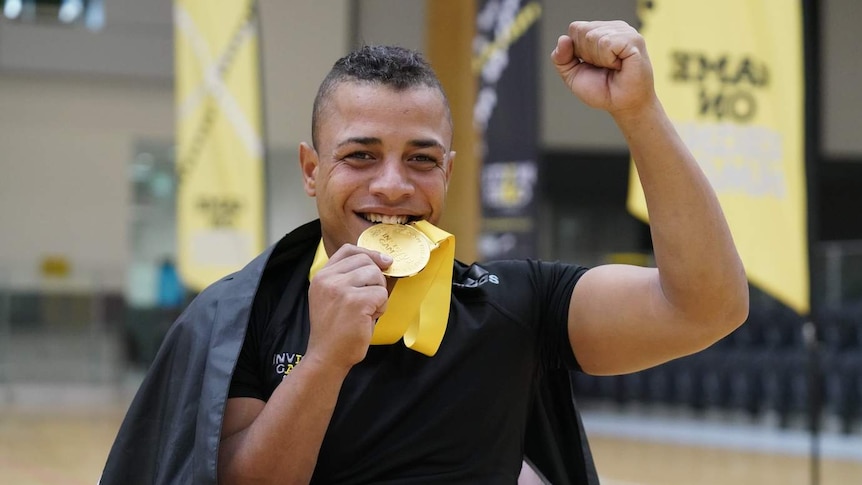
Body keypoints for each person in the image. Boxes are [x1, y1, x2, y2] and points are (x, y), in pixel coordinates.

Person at [101, 20, 748, 485]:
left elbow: (706, 307)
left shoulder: (515, 300)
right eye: (360, 155)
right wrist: (324, 359)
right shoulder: (248, 313)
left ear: (448, 172)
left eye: (421, 159)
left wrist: (639, 112)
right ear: (310, 168)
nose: (392, 184)